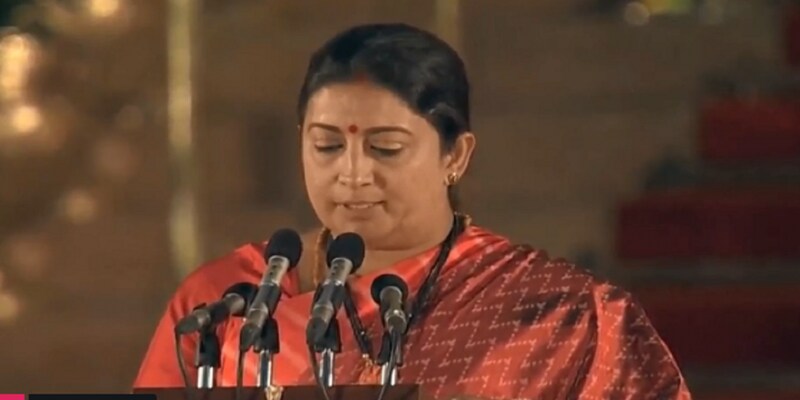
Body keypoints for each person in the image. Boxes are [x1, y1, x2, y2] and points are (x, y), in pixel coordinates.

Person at [134, 23, 692, 399]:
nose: (352, 173)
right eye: (327, 145)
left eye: (385, 147)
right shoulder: (228, 301)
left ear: (455, 155)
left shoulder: (564, 315)